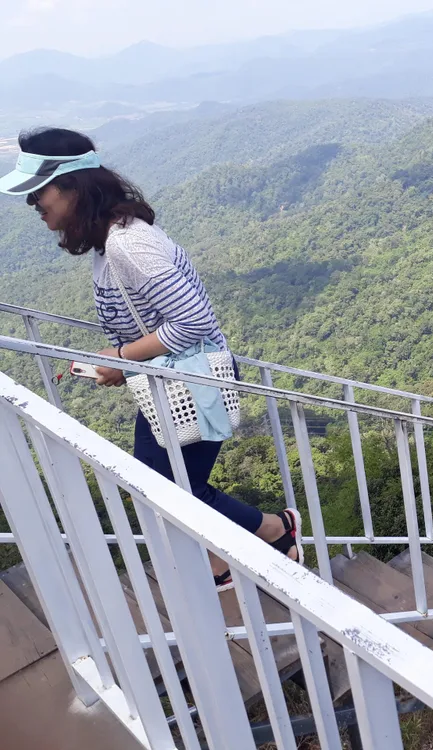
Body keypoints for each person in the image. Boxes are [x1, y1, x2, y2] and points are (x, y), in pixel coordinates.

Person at [0, 128, 303, 592]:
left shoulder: (127, 243)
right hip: (168, 379)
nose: (32, 203)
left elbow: (194, 321)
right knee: (159, 485)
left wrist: (121, 358)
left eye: (38, 190)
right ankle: (241, 547)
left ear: (74, 187)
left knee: (171, 490)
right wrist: (126, 365)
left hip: (194, 381)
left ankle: (273, 531)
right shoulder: (111, 239)